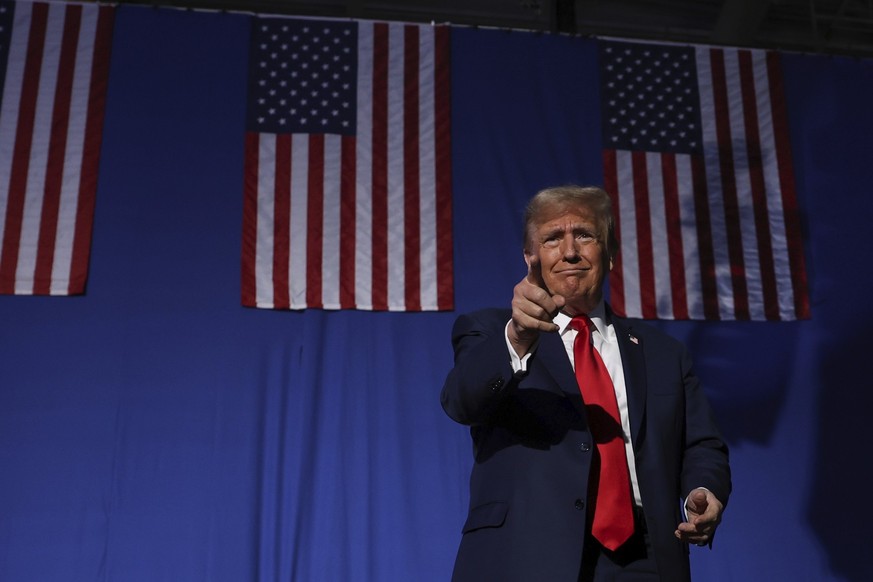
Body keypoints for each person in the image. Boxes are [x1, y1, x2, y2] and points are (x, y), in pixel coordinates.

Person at [441, 185, 731, 581]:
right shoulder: (491, 332)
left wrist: (705, 490)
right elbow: (462, 402)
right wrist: (517, 338)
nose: (570, 251)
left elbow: (702, 444)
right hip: (524, 556)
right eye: (552, 238)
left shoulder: (663, 353)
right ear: (530, 256)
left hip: (644, 560)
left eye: (585, 235)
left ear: (609, 252)